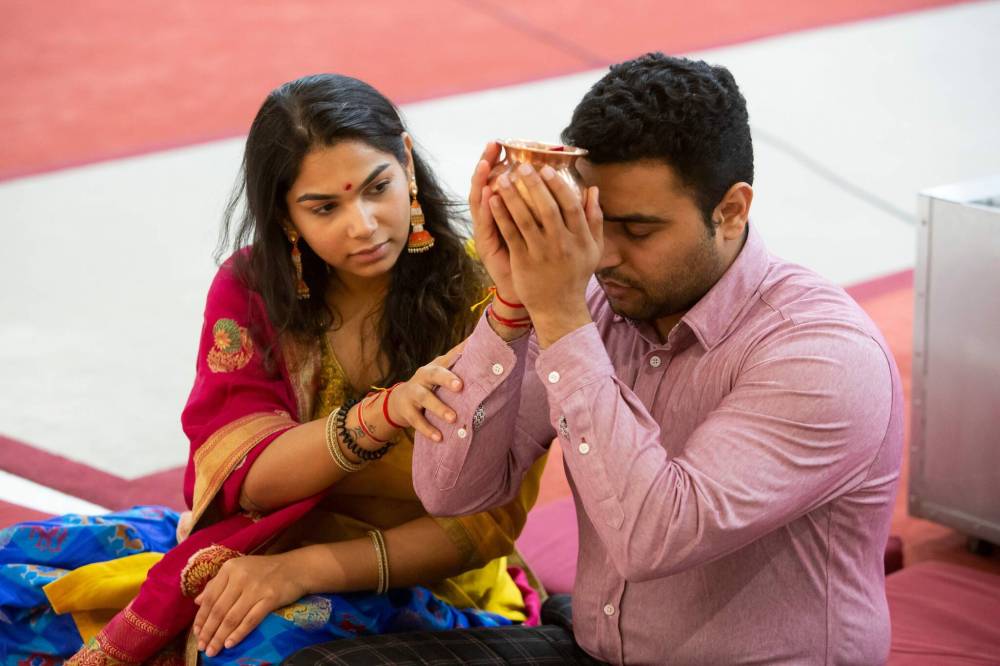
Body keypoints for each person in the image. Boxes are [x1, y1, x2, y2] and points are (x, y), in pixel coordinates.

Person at [291, 53, 904, 664]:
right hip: (597, 648)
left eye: (637, 230)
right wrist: (509, 304)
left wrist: (558, 315)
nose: (603, 255)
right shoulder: (593, 300)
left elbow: (652, 539)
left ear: (732, 210)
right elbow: (451, 489)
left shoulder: (822, 354)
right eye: (592, 219)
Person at [0, 73, 545, 665]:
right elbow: (244, 476)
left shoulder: (492, 294)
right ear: (286, 215)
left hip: (418, 576)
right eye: (325, 207)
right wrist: (381, 415)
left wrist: (301, 570)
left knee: (243, 648)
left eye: (376, 187)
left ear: (407, 164)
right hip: (260, 538)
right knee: (19, 578)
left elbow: (481, 527)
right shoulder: (254, 292)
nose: (361, 224)